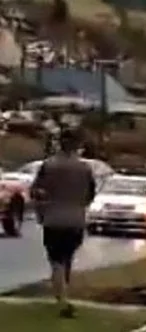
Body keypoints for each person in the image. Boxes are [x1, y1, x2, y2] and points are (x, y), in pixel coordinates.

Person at [30, 130, 96, 318]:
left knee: (56, 259)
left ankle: (62, 301)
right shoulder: (85, 168)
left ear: (60, 144)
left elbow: (36, 191)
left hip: (53, 219)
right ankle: (63, 293)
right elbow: (90, 195)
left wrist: (42, 208)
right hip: (76, 220)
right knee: (67, 257)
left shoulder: (48, 165)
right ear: (77, 145)